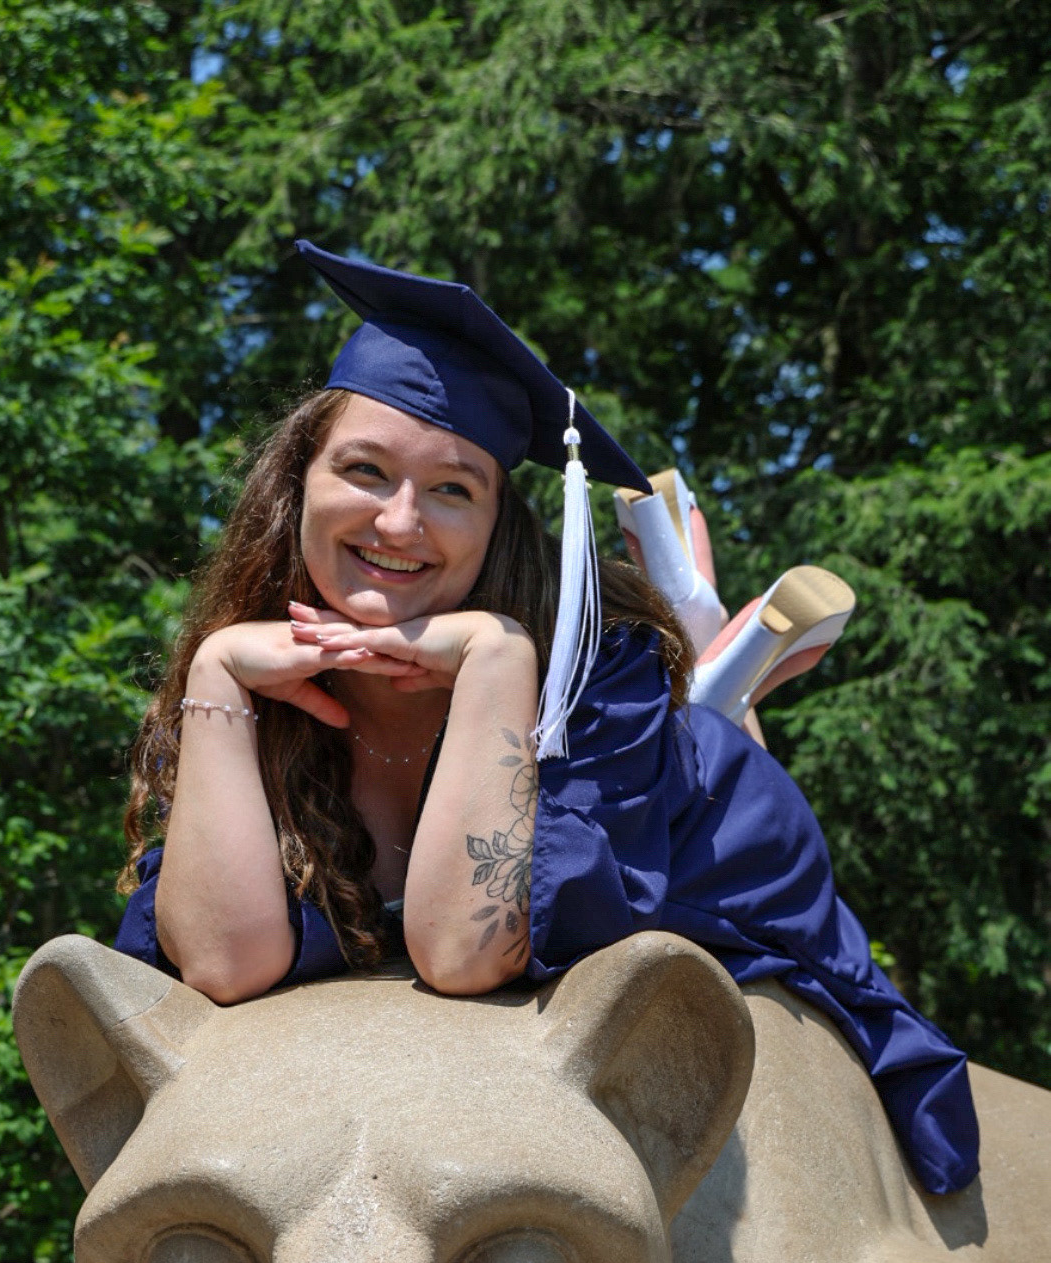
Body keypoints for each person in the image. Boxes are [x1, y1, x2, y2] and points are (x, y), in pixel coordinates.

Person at [116, 242, 978, 1198]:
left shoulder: (595, 677)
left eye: (453, 488)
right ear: (297, 482)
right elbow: (225, 963)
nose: (400, 522)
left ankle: (709, 654)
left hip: (724, 861)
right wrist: (219, 671)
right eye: (364, 470)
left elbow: (461, 953)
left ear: (498, 522)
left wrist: (496, 657)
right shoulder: (248, 657)